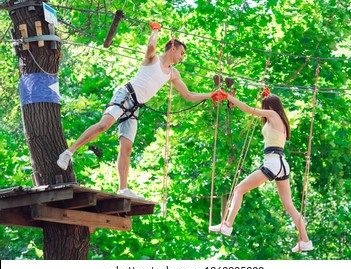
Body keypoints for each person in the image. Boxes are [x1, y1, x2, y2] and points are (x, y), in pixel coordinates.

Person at [57, 22, 213, 199]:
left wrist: (211, 95)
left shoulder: (173, 73)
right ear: (172, 48)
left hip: (135, 107)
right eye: (182, 53)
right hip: (125, 95)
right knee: (104, 125)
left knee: (127, 147)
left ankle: (123, 188)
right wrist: (155, 30)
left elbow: (188, 95)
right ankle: (68, 152)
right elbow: (151, 45)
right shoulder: (152, 59)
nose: (182, 57)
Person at [208, 89, 313, 252]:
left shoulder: (273, 115)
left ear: (270, 107)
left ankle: (227, 224)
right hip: (281, 164)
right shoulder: (281, 120)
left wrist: (229, 97)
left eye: (265, 107)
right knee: (289, 205)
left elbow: (249, 110)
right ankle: (305, 240)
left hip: (273, 162)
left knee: (238, 189)